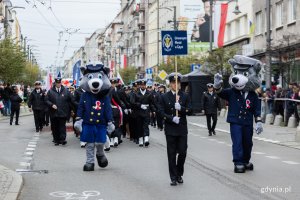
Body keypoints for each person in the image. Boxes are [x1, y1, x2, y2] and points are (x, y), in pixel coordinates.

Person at [158, 73, 192, 186]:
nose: (176, 85)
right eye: (173, 83)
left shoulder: (185, 96)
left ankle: (179, 173)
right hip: (170, 129)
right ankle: (173, 177)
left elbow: (190, 110)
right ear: (170, 84)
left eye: (178, 83)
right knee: (171, 154)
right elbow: (160, 112)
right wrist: (171, 118)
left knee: (182, 152)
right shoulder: (164, 96)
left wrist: (181, 108)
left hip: (182, 129)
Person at [46, 77, 75, 145]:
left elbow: (71, 100)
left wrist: (73, 109)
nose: (58, 84)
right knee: (55, 127)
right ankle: (56, 140)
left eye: (59, 83)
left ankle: (62, 139)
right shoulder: (50, 91)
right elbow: (46, 100)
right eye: (57, 83)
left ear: (61, 83)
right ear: (55, 83)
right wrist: (51, 104)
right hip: (54, 113)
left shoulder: (66, 91)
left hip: (63, 112)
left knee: (62, 126)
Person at [131, 79, 156, 147]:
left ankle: (146, 138)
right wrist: (140, 105)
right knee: (139, 126)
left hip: (146, 111)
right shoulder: (136, 93)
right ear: (139, 86)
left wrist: (153, 110)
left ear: (145, 85)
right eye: (141, 85)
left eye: (144, 85)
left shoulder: (149, 93)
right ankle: (140, 139)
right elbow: (132, 102)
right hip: (139, 111)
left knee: (145, 125)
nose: (143, 86)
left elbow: (152, 103)